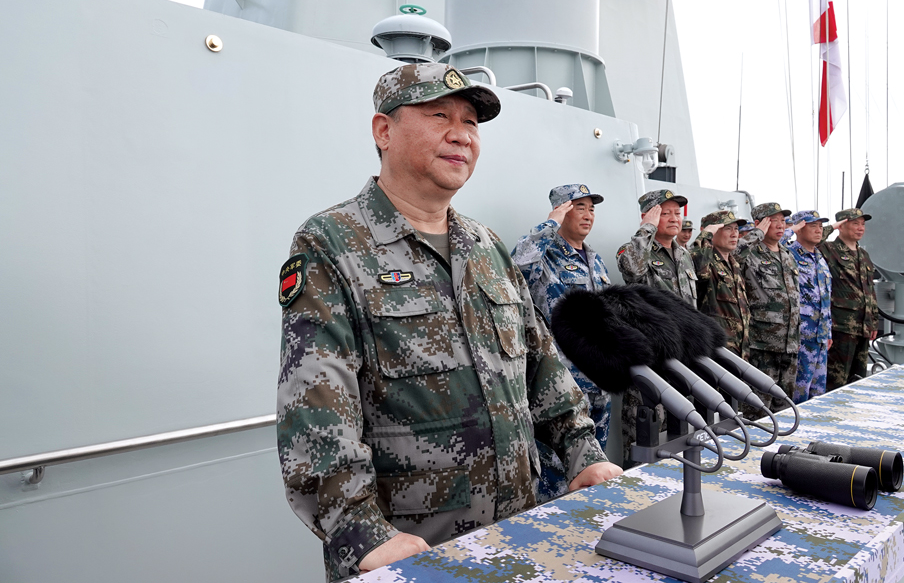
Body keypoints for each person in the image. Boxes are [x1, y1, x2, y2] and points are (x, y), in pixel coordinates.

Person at [276, 63, 621, 581]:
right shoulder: (332, 242)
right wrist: (361, 533)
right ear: (384, 131)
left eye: (471, 122)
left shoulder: (486, 246)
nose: (461, 133)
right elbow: (316, 404)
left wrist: (583, 453)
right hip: (412, 551)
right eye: (439, 115)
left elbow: (541, 363)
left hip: (517, 535)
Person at [511, 184, 612, 500]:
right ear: (561, 211)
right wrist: (550, 224)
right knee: (556, 478)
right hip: (561, 388)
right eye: (579, 207)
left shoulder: (595, 260)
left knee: (595, 471)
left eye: (591, 208)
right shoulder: (545, 255)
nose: (588, 215)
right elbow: (516, 267)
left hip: (598, 381)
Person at [616, 189, 698, 465]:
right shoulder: (634, 250)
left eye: (677, 213)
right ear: (649, 216)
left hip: (682, 359)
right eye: (665, 213)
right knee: (645, 433)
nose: (675, 218)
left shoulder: (684, 255)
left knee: (677, 433)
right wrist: (646, 229)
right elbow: (632, 269)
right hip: (650, 360)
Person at [735, 202, 799, 419]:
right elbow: (732, 254)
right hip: (762, 343)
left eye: (783, 220)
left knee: (784, 406)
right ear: (759, 224)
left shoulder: (788, 255)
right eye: (773, 220)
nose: (780, 225)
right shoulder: (749, 252)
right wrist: (756, 234)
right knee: (758, 408)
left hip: (790, 342)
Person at [818, 207, 878, 390]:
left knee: (858, 379)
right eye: (855, 224)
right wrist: (832, 227)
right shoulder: (829, 249)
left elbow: (869, 290)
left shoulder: (864, 255)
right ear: (842, 226)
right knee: (836, 381)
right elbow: (811, 241)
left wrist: (874, 321)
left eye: (862, 224)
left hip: (863, 327)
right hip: (841, 327)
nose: (860, 228)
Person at [782, 210, 833, 403]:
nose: (819, 230)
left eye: (820, 226)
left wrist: (828, 332)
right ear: (800, 229)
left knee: (818, 394)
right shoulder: (789, 253)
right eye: (813, 226)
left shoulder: (820, 258)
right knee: (798, 393)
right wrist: (791, 230)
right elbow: (768, 246)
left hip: (820, 336)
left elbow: (825, 297)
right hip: (800, 336)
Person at [690, 210, 751, 357]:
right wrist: (706, 234)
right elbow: (698, 265)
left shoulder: (734, 264)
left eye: (736, 229)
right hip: (717, 351)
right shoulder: (706, 262)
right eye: (727, 229)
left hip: (740, 350)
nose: (734, 234)